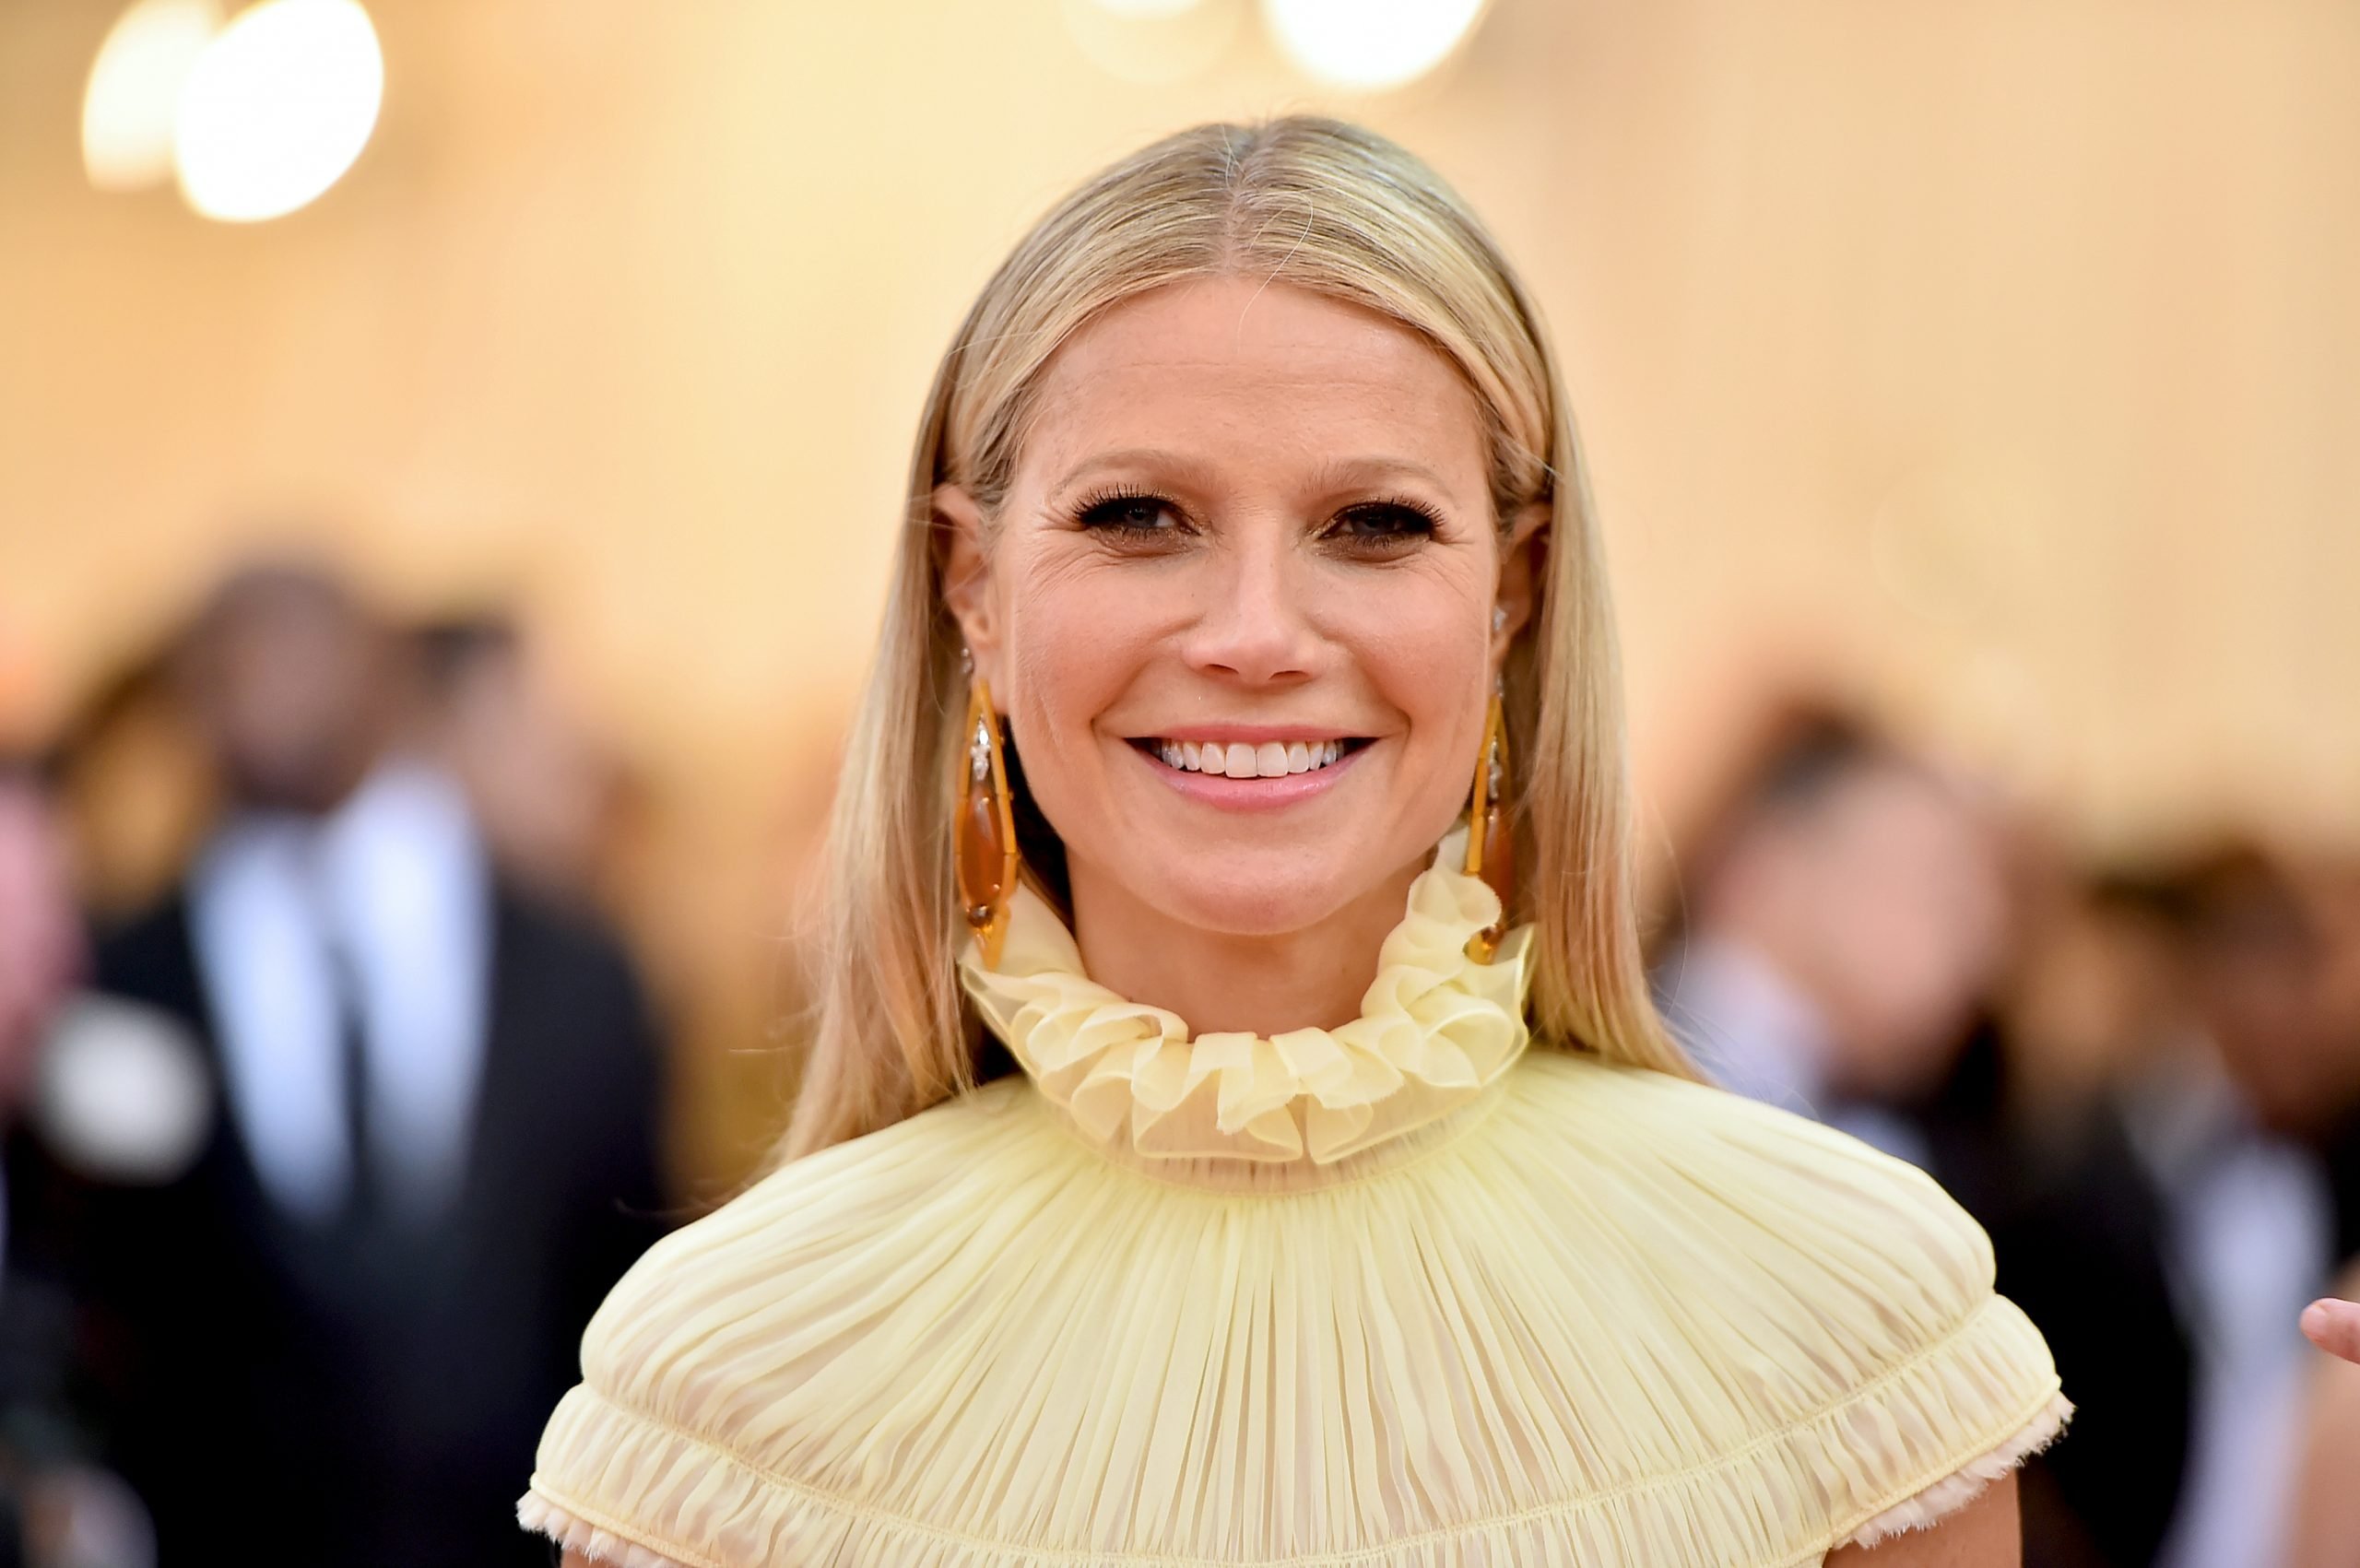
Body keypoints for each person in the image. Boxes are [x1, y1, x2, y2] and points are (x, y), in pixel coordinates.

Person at [516, 117, 2066, 1567]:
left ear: (1513, 590)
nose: (1256, 635)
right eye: (1138, 517)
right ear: (969, 585)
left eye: (1374, 525)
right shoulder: (729, 1380)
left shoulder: (1846, 1319)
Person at [29, 562, 669, 1566]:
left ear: (389, 673)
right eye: (237, 659)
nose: (273, 682)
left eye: (304, 645)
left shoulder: (576, 975)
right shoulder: (125, 975)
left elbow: (634, 1277)